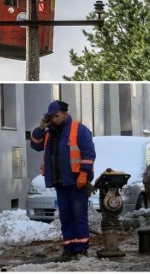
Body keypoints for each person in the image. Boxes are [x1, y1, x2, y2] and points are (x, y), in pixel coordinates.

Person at [30, 100, 95, 259]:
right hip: (60, 181)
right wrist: (40, 127)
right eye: (51, 117)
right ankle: (69, 248)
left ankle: (81, 249)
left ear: (65, 113)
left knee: (78, 215)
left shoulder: (78, 129)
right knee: (65, 216)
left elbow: (88, 153)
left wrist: (84, 174)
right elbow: (35, 144)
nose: (55, 119)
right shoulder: (49, 132)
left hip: (76, 181)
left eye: (57, 116)